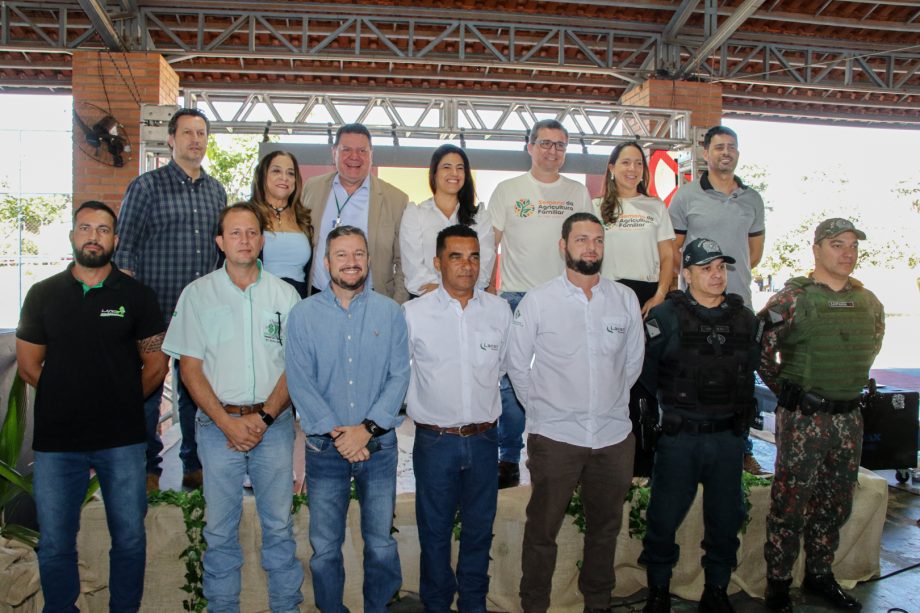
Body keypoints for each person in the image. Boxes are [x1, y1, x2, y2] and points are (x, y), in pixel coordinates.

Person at [16, 201, 168, 612]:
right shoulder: (43, 294)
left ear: (115, 240)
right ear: (72, 235)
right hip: (57, 443)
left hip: (121, 440)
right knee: (55, 542)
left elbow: (156, 364)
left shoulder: (137, 296)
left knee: (130, 538)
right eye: (85, 228)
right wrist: (73, 397)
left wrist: (119, 401)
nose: (93, 237)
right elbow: (29, 366)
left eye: (103, 230)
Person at [162, 203, 304, 612]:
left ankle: (286, 607)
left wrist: (264, 417)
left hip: (273, 427)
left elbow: (295, 365)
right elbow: (189, 369)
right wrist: (227, 423)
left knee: (279, 528)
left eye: (252, 232)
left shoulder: (284, 295)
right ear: (220, 242)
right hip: (216, 428)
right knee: (220, 532)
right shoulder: (197, 294)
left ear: (262, 240)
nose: (245, 240)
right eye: (235, 233)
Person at [506, 212, 644, 613]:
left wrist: (607, 402)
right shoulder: (538, 300)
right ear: (563, 246)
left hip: (612, 438)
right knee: (542, 531)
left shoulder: (624, 299)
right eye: (582, 239)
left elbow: (632, 363)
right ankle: (535, 605)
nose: (591, 247)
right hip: (555, 438)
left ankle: (597, 603)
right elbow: (517, 364)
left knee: (605, 530)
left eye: (598, 240)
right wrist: (544, 410)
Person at [759, 218, 884, 613]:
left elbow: (872, 346)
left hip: (848, 418)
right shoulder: (791, 300)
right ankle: (779, 584)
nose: (848, 253)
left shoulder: (869, 302)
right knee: (790, 504)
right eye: (837, 244)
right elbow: (761, 352)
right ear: (816, 250)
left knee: (835, 503)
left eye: (852, 245)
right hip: (805, 419)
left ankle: (819, 574)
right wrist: (789, 392)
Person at [286, 225, 410, 613]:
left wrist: (366, 430)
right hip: (324, 449)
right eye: (341, 255)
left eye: (358, 254)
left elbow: (399, 376)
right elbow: (299, 381)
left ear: (369, 260)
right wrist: (341, 436)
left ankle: (379, 608)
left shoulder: (391, 313)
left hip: (378, 447)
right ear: (326, 263)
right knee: (325, 548)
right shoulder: (303, 315)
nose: (351, 262)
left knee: (381, 543)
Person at [638, 238, 762, 613]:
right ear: (687, 274)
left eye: (720, 267)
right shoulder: (665, 317)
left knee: (725, 520)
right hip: (681, 439)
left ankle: (716, 590)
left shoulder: (745, 319)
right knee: (663, 518)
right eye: (706, 268)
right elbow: (646, 376)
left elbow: (750, 370)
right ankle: (658, 591)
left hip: (727, 439)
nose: (716, 275)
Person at [115, 107, 227, 491]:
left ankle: (194, 465)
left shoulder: (217, 192)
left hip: (199, 316)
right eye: (188, 133)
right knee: (149, 390)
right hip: (154, 311)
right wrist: (127, 310)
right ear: (171, 139)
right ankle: (147, 468)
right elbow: (125, 251)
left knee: (194, 391)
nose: (196, 140)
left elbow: (220, 255)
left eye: (201, 133)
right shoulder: (146, 186)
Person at [404, 224, 511, 611]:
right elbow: (400, 374)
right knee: (434, 536)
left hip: (484, 440)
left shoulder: (499, 311)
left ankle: (473, 605)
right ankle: (436, 605)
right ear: (437, 263)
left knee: (479, 533)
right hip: (435, 443)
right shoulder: (413, 314)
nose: (467, 265)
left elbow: (502, 368)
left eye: (474, 257)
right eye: (456, 257)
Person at [487, 118, 593, 488]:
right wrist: (488, 292)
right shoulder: (508, 190)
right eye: (545, 143)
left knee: (566, 377)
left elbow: (589, 245)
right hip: (515, 297)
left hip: (564, 298)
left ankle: (564, 451)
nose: (552, 150)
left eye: (560, 145)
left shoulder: (578, 193)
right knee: (510, 382)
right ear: (529, 147)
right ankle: (509, 456)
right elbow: (490, 244)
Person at [668, 124, 766, 475]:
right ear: (705, 153)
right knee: (693, 378)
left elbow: (754, 253)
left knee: (740, 380)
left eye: (732, 146)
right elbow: (673, 250)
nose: (726, 152)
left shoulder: (752, 199)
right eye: (719, 146)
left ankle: (742, 450)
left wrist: (727, 278)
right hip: (696, 308)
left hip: (739, 305)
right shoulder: (686, 197)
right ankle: (689, 450)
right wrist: (695, 282)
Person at [301, 123, 410, 303]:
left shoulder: (396, 199)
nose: (354, 157)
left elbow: (403, 262)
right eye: (346, 150)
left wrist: (397, 306)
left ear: (371, 155)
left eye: (362, 151)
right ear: (334, 153)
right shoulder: (312, 188)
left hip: (373, 300)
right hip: (318, 297)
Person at [399, 144, 495, 297]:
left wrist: (456, 290)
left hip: (469, 300)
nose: (454, 173)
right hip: (426, 300)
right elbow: (413, 271)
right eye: (446, 167)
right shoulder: (415, 214)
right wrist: (448, 292)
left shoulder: (480, 216)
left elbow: (484, 267)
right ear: (434, 173)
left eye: (460, 168)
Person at [595, 142, 675, 314]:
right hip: (609, 294)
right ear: (612, 168)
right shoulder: (595, 207)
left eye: (639, 163)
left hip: (649, 295)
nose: (633, 168)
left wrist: (660, 295)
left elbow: (668, 256)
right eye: (626, 162)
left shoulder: (656, 206)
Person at [250, 149, 313, 298]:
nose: (284, 178)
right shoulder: (248, 215)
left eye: (290, 173)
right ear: (262, 176)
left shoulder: (304, 218)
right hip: (258, 300)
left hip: (298, 301)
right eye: (276, 171)